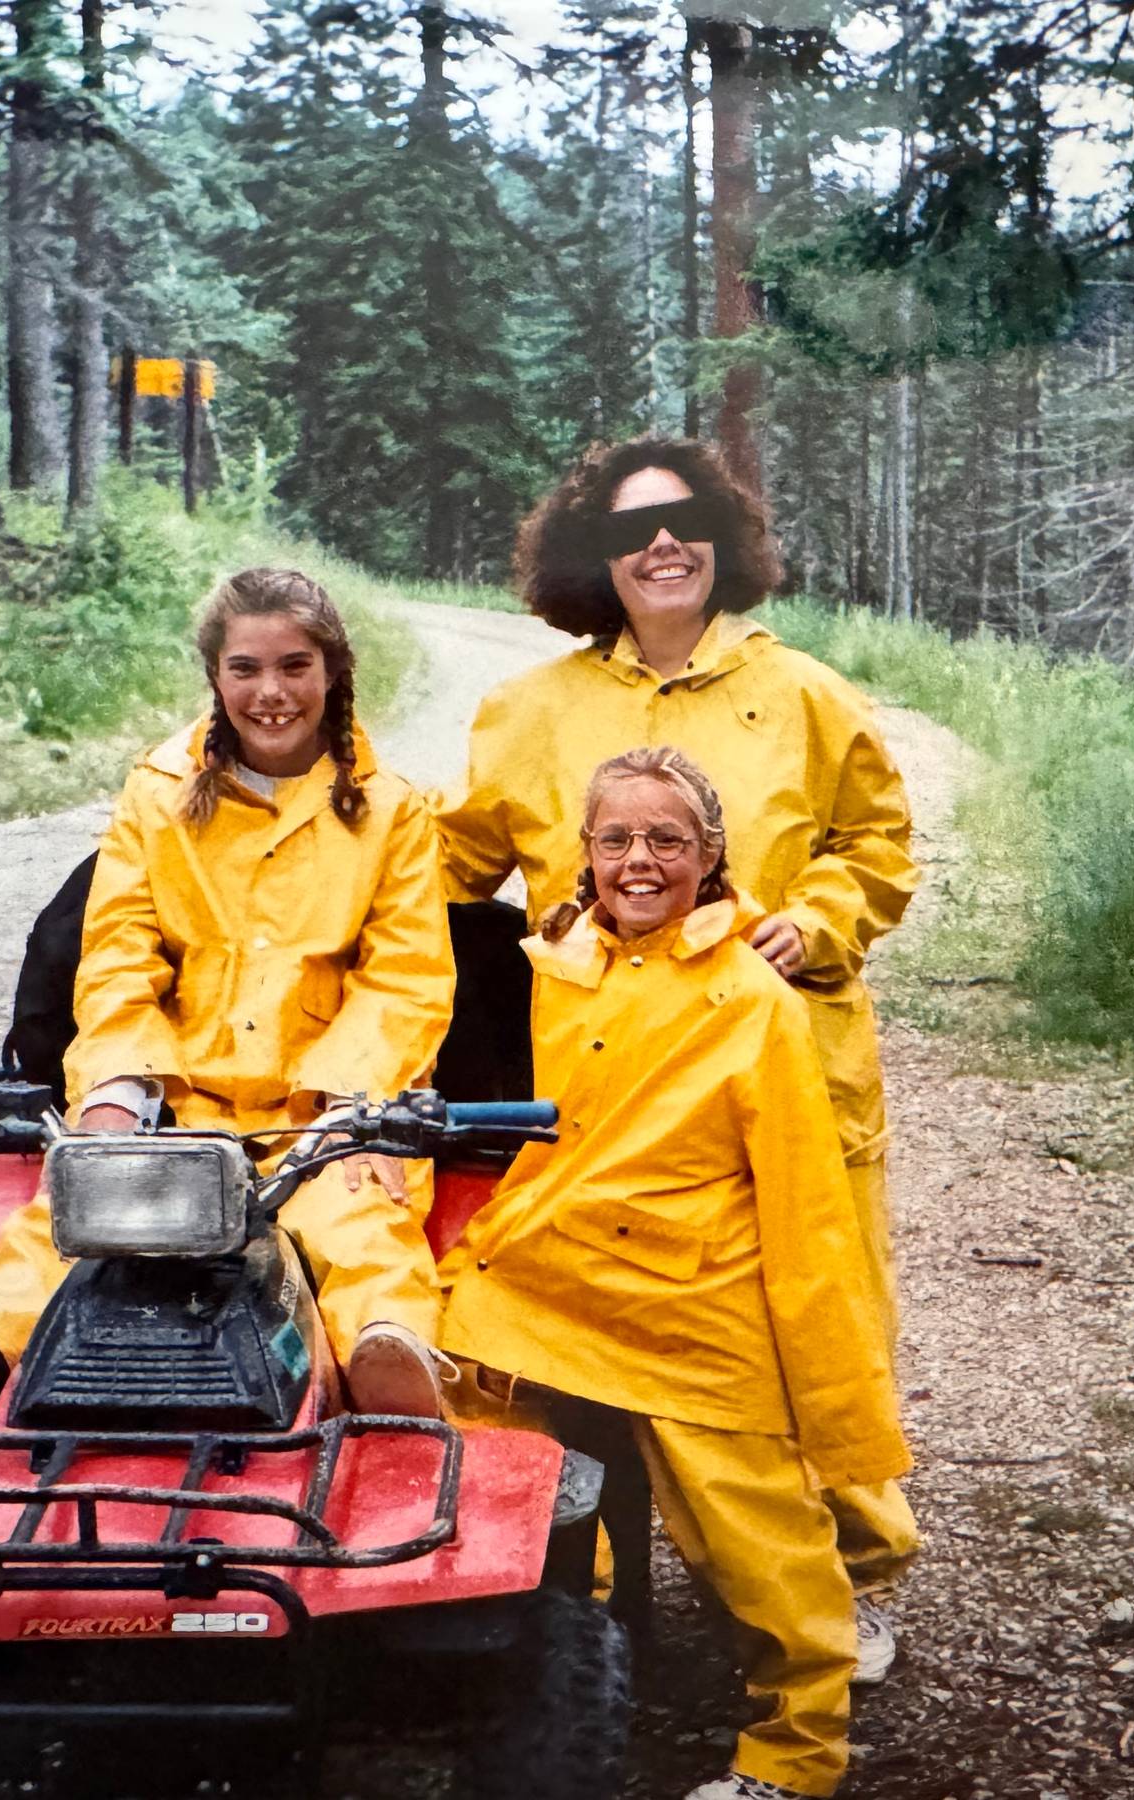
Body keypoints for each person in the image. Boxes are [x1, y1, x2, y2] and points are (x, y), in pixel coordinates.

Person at [436, 437, 921, 1676]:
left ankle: (835, 1579)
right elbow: (439, 874)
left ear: (727, 538)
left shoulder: (806, 694)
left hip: (789, 1064)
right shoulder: (530, 709)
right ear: (592, 554)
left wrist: (812, 923)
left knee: (808, 1319)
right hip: (605, 1090)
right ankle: (572, 1585)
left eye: (687, 519)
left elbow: (875, 851)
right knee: (564, 1329)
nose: (663, 545)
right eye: (634, 527)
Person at [0, 568, 456, 1419]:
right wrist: (119, 1093)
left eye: (294, 665)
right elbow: (119, 950)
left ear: (333, 670)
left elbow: (406, 973)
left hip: (325, 1100)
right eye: (246, 668)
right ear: (215, 676)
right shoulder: (158, 793)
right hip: (186, 1096)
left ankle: (391, 1360)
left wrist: (352, 1100)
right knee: (82, 1207)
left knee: (362, 1216)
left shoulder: (393, 811)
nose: (270, 692)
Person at [439, 747, 906, 1800]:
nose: (639, 863)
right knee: (442, 1389)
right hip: (548, 1283)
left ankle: (795, 1754)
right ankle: (575, 1633)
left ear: (712, 858)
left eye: (667, 841)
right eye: (615, 840)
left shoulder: (755, 1001)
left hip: (695, 1300)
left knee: (758, 1535)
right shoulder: (557, 963)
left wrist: (826, 1385)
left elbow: (806, 1206)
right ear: (584, 857)